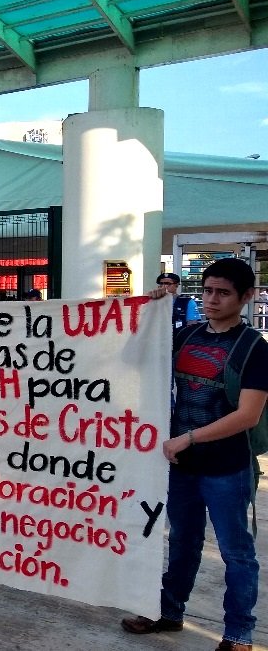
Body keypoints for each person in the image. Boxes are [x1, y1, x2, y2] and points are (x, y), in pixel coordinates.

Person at [122, 258, 267, 651]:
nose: (212, 300)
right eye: (207, 291)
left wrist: (188, 438)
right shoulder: (186, 335)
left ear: (246, 297)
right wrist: (148, 313)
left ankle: (239, 634)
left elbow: (248, 415)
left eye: (223, 293)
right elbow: (132, 362)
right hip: (181, 464)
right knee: (182, 542)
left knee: (236, 553)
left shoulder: (254, 348)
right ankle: (169, 612)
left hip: (226, 468)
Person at [156, 272, 200, 337]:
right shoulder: (154, 302)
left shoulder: (187, 301)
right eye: (161, 284)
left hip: (179, 339)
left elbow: (192, 327)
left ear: (176, 285)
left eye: (167, 284)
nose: (163, 286)